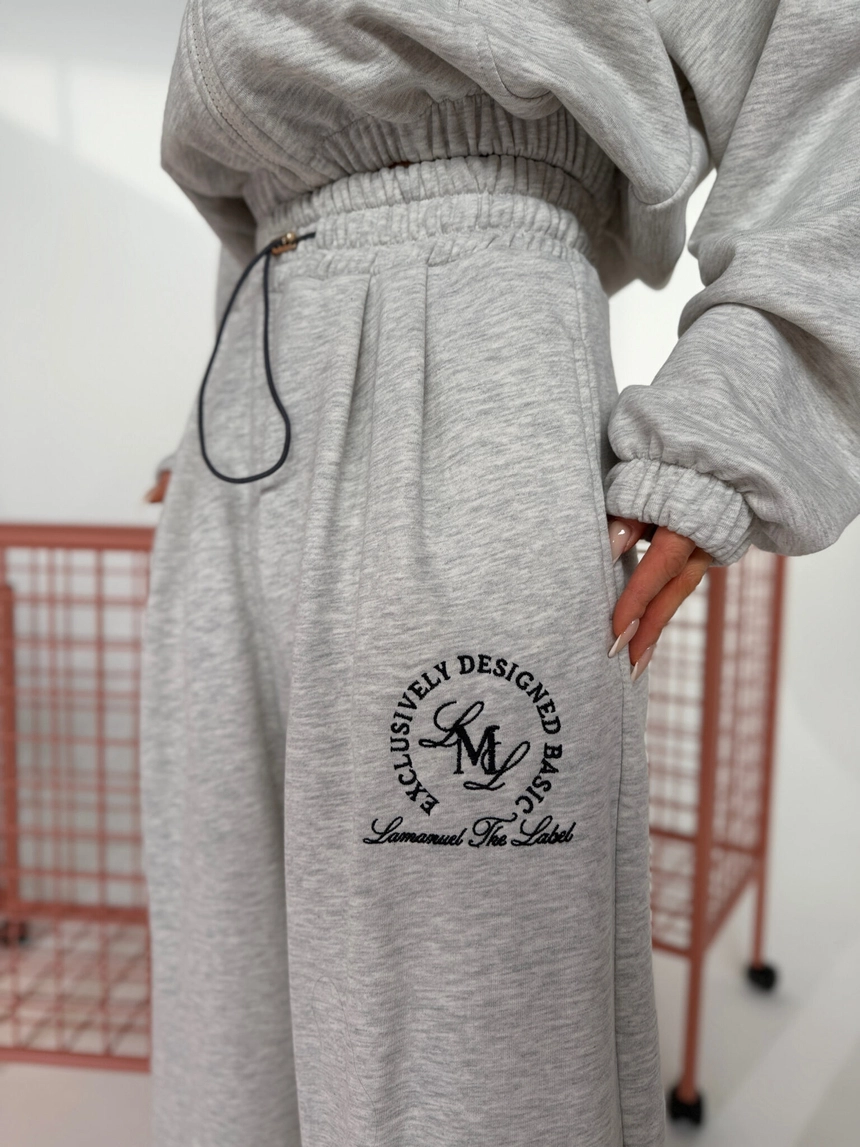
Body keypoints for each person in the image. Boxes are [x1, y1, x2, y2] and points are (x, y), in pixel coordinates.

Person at [139, 2, 860, 1145]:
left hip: (473, 353)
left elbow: (834, 79)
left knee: (462, 1062)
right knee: (226, 990)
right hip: (252, 391)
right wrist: (228, 404)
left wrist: (745, 412)